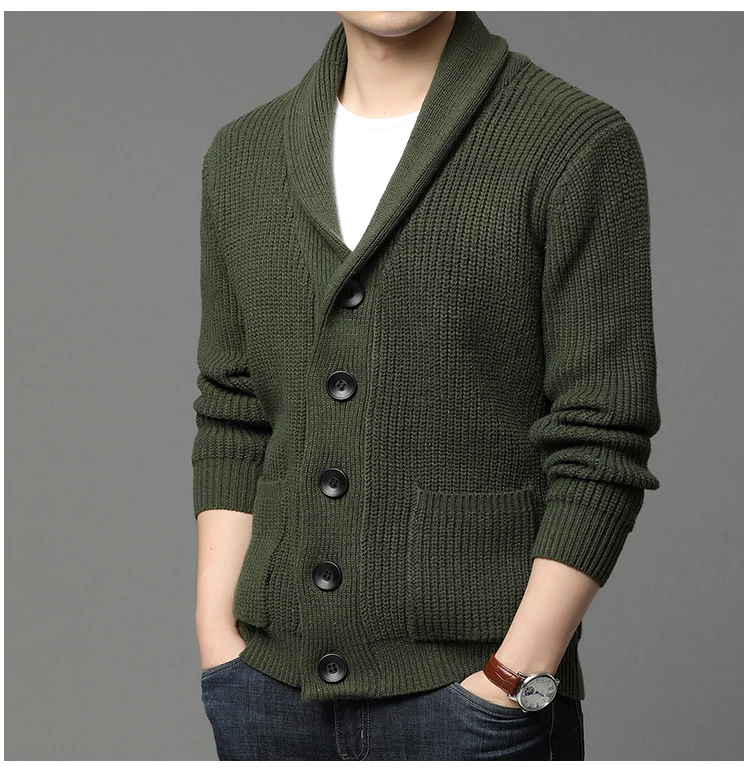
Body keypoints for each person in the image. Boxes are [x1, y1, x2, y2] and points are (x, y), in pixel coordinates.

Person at [192, 10, 661, 761]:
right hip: (268, 692)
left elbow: (602, 433)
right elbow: (233, 410)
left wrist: (514, 676)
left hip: (474, 694)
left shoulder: (571, 141)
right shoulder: (242, 155)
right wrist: (220, 643)